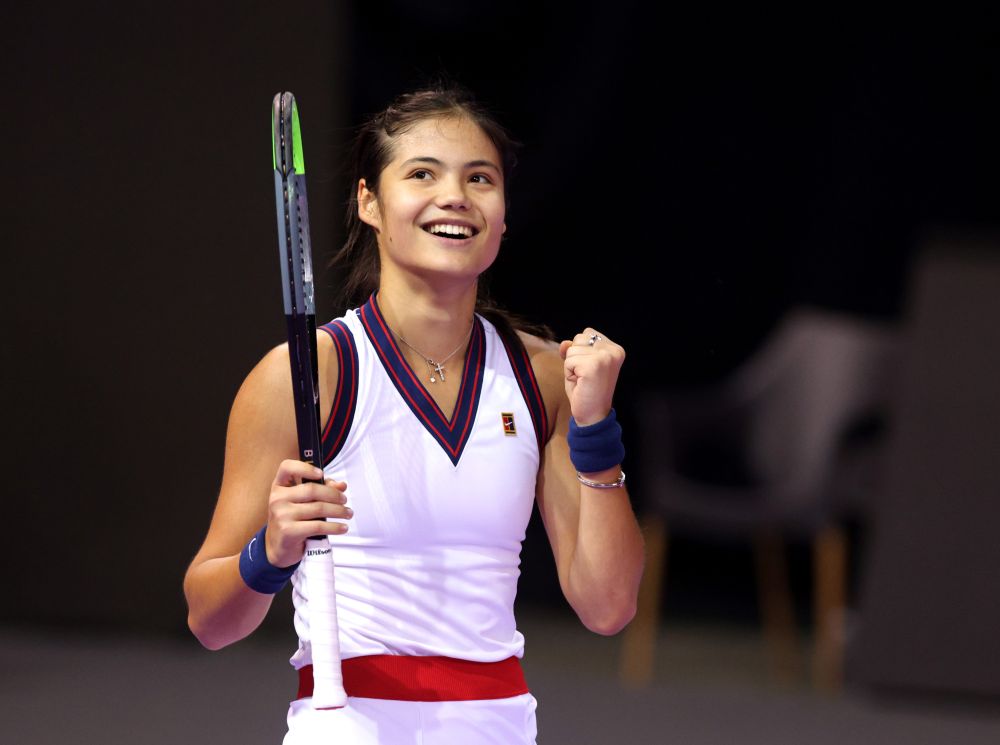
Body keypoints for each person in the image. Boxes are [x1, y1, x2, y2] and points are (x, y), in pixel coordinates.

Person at [183, 85, 645, 744]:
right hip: (347, 725)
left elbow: (608, 606)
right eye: (422, 174)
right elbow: (209, 621)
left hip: (498, 727)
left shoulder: (545, 377)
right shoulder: (308, 374)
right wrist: (272, 552)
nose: (454, 196)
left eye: (479, 178)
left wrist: (595, 429)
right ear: (369, 201)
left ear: (503, 214)